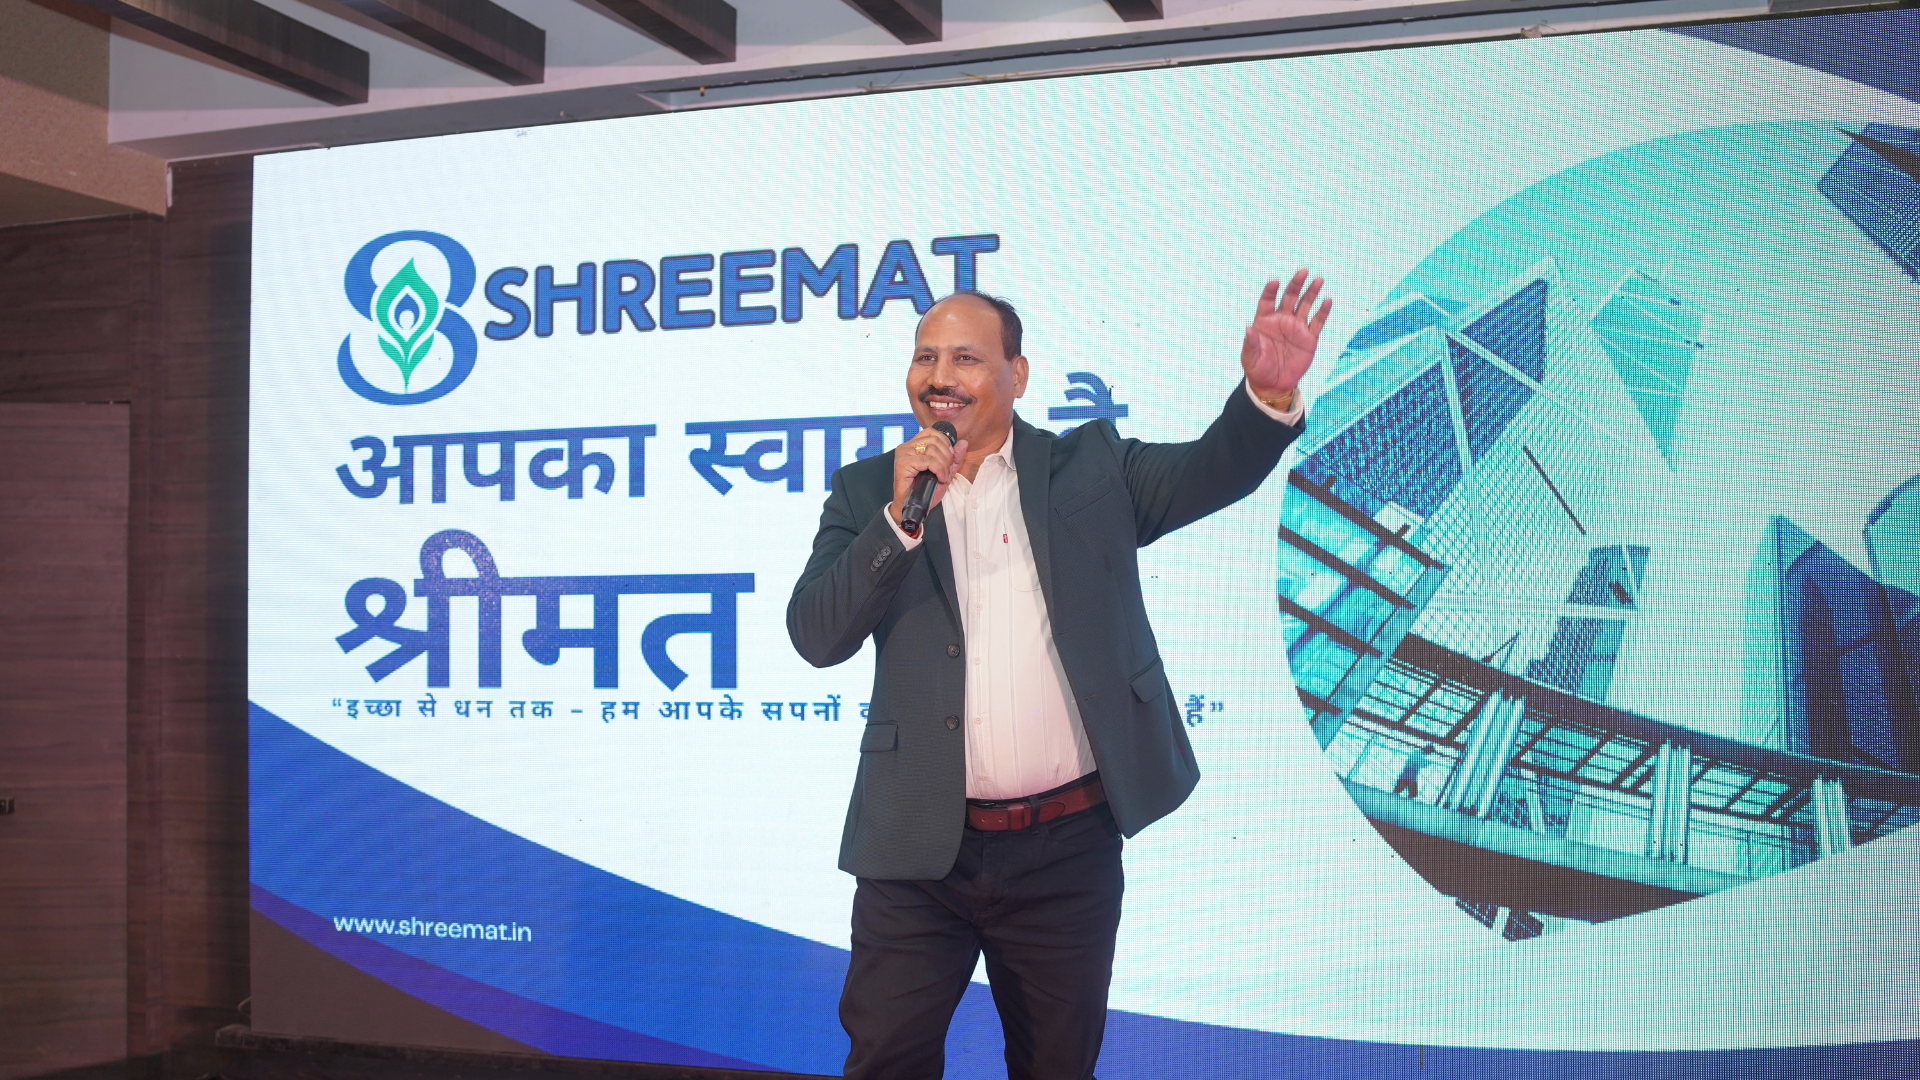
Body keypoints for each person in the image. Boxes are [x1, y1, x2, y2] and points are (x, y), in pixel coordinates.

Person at [787, 270, 1330, 1080]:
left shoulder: (1091, 467)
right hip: (916, 852)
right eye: (925, 357)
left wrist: (1264, 398)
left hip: (1065, 852)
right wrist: (898, 523)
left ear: (1018, 374)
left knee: (1057, 1067)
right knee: (885, 1062)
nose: (939, 376)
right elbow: (816, 633)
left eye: (965, 358)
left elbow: (1211, 471)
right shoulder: (870, 488)